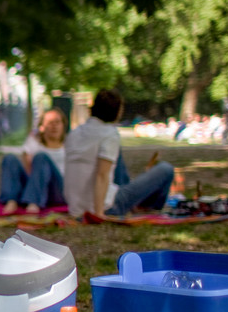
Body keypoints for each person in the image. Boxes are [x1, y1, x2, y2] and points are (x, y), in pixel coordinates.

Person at [64, 88, 175, 220]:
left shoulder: (74, 133)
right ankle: (149, 207)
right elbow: (102, 175)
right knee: (165, 169)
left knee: (115, 154)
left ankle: (133, 199)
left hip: (75, 206)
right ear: (116, 111)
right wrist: (98, 214)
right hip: (107, 206)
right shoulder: (109, 134)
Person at [0, 108, 67, 213]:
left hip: (58, 189)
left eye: (57, 122)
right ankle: (11, 200)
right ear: (42, 127)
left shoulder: (70, 145)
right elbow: (27, 168)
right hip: (36, 184)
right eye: (50, 123)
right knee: (10, 158)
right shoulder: (33, 142)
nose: (54, 126)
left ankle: (34, 202)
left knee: (41, 157)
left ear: (63, 125)